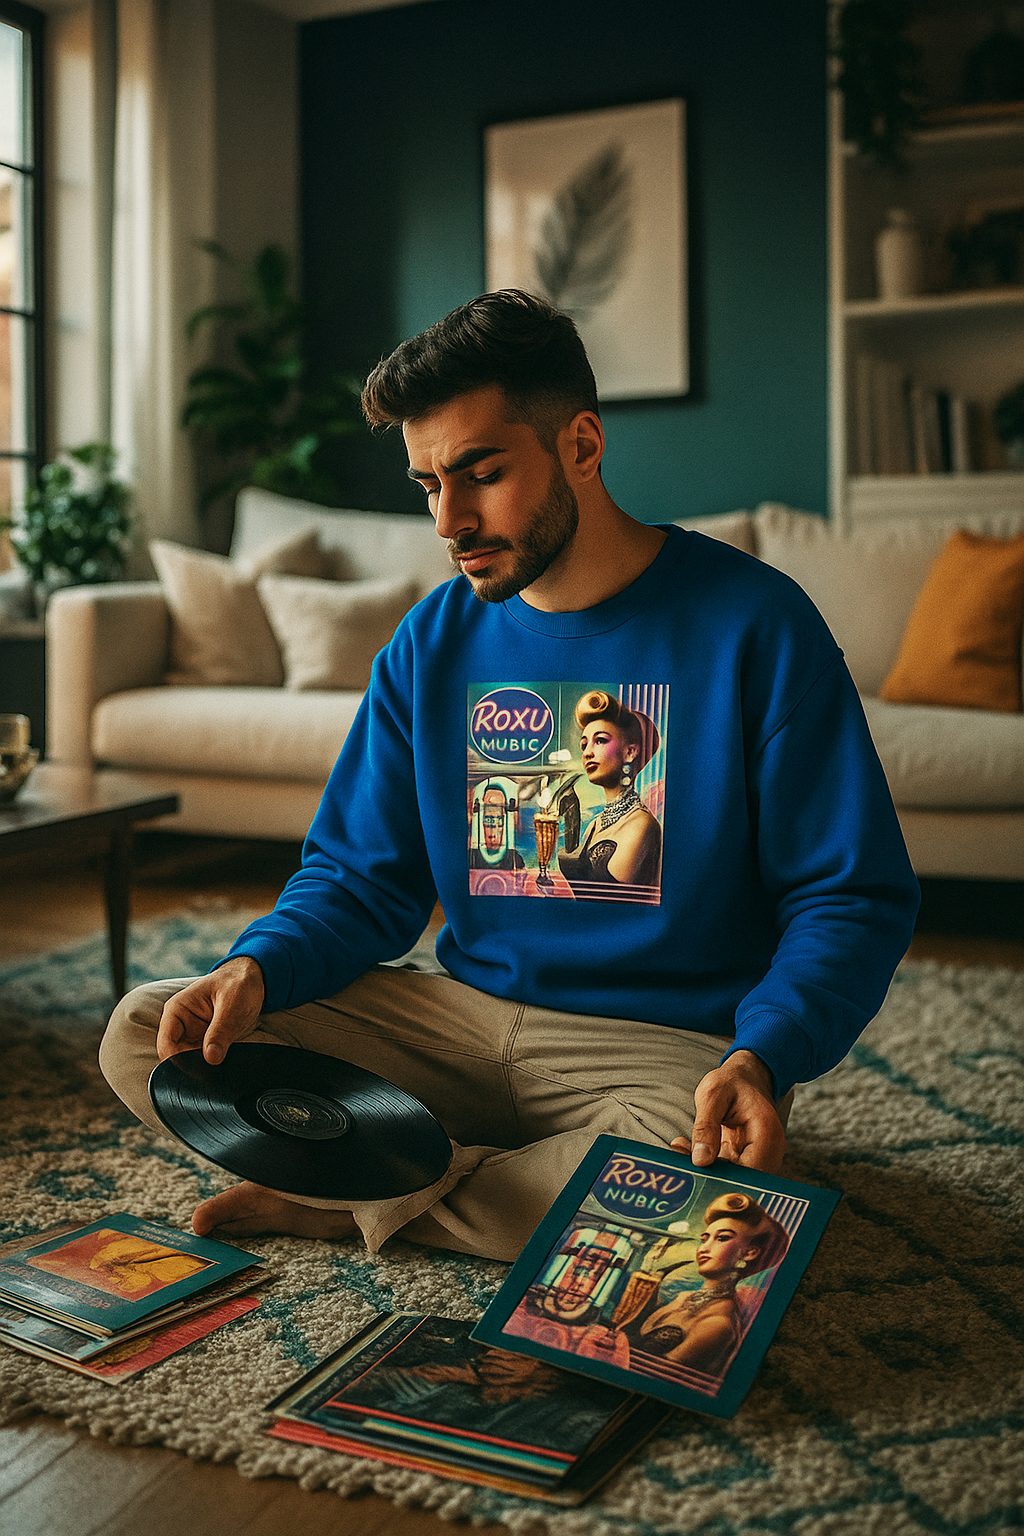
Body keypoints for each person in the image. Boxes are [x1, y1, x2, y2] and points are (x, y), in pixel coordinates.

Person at [99, 289, 919, 1264]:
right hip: (458, 1022)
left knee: (704, 1171)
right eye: (427, 485)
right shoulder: (430, 642)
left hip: (660, 1045)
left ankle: (364, 1191)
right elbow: (358, 878)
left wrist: (765, 1054)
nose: (450, 520)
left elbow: (847, 894)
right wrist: (260, 964)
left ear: (582, 445)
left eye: (481, 474)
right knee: (150, 1030)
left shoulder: (756, 625)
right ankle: (484, 1191)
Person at [558, 690, 662, 895]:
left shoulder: (641, 825)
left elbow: (614, 900)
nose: (587, 753)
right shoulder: (594, 825)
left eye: (600, 740)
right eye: (584, 744)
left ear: (630, 752)